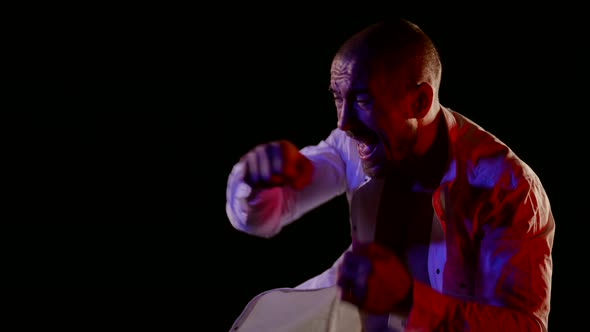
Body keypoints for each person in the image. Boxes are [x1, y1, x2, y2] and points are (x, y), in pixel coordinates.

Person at [225, 17, 555, 331]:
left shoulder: (507, 188)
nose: (344, 122)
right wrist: (256, 182)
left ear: (420, 102)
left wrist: (408, 302)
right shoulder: (352, 143)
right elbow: (262, 216)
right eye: (338, 98)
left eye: (363, 100)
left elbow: (524, 325)